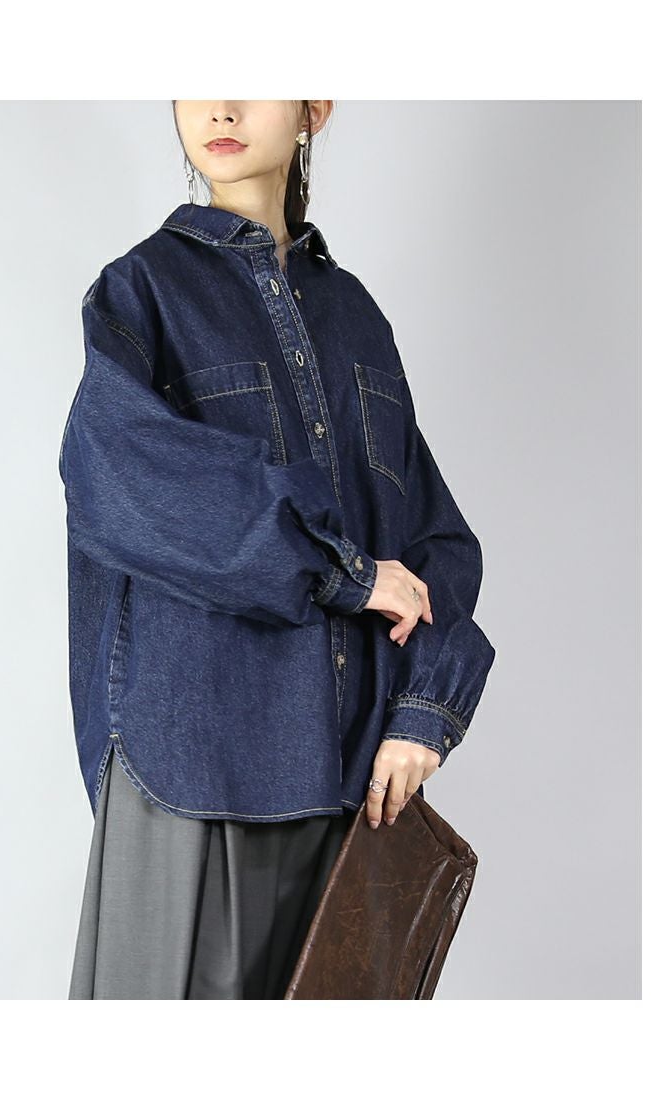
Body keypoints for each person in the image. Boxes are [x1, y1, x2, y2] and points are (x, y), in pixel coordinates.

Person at [60, 100, 496, 999]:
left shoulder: (356, 318)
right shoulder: (143, 291)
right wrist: (343, 572)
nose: (220, 105)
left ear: (313, 108)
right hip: (198, 764)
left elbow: (432, 538)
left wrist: (424, 712)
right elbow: (116, 471)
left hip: (353, 784)